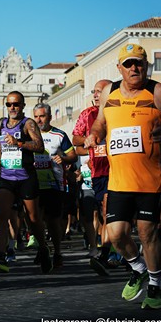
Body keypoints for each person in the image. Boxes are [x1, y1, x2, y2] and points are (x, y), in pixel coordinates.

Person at [84, 43, 161, 310]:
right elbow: (101, 121)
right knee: (116, 234)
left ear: (146, 66)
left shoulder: (159, 92)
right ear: (120, 68)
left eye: (138, 63)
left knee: (147, 232)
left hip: (150, 179)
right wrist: (94, 134)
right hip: (119, 179)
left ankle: (154, 286)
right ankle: (138, 268)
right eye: (128, 64)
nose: (134, 68)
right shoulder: (110, 91)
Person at [0, 91, 52, 274]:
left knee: (33, 219)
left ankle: (43, 248)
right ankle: (2, 255)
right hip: (6, 177)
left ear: (23, 106)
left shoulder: (28, 124)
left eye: (16, 104)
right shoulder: (0, 124)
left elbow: (39, 146)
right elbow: (1, 147)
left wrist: (19, 143)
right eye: (9, 105)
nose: (12, 108)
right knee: (1, 216)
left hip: (25, 177)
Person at [72, 79, 113, 274]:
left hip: (119, 168)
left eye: (100, 91)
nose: (96, 95)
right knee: (102, 213)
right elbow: (75, 138)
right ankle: (112, 249)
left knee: (108, 212)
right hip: (98, 171)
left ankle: (107, 253)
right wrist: (88, 139)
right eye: (94, 91)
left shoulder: (117, 110)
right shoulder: (87, 114)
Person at [32, 103, 77, 268]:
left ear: (49, 117)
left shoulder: (59, 135)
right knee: (35, 219)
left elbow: (73, 155)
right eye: (36, 116)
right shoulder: (29, 134)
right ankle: (42, 249)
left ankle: (57, 252)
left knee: (52, 221)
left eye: (42, 116)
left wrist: (63, 159)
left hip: (53, 183)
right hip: (33, 182)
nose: (38, 120)